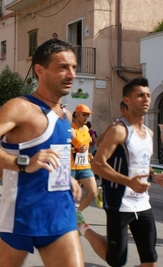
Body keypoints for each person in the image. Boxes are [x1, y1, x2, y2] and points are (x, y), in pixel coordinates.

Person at [0, 39, 83, 267]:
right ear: (40, 70)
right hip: (22, 214)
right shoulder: (21, 107)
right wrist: (23, 162)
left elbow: (51, 156)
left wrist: (65, 177)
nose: (71, 74)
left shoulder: (65, 116)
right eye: (62, 67)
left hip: (60, 213)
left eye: (73, 67)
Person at [80, 77, 163, 267]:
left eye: (148, 95)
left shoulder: (149, 134)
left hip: (143, 204)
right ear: (127, 100)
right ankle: (82, 227)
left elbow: (139, 165)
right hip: (119, 202)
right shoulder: (118, 130)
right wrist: (128, 182)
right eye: (140, 95)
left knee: (150, 257)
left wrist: (153, 176)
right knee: (117, 259)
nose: (146, 99)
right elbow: (98, 165)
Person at [71, 104, 97, 215]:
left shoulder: (86, 128)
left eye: (88, 115)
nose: (86, 117)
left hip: (84, 165)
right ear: (76, 114)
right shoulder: (71, 130)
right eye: (84, 115)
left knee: (93, 192)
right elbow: (62, 147)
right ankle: (67, 216)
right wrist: (76, 149)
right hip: (70, 167)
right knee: (71, 195)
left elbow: (85, 145)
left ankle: (77, 213)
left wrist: (88, 154)